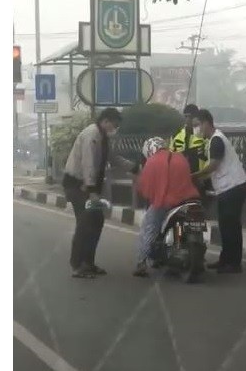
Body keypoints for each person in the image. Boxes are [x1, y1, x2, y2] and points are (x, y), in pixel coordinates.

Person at [63, 107, 138, 279]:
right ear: (105, 121)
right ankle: (77, 265)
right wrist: (91, 191)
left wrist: (133, 167)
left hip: (88, 186)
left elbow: (112, 158)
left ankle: (88, 263)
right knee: (84, 223)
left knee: (96, 221)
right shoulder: (92, 135)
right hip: (78, 185)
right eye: (114, 125)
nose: (115, 129)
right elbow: (88, 163)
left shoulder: (102, 137)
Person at [192, 109, 246, 274]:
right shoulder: (213, 140)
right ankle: (225, 260)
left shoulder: (217, 140)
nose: (196, 129)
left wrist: (195, 176)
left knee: (231, 226)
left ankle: (234, 263)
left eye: (197, 125)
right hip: (227, 188)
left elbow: (214, 166)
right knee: (225, 225)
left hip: (233, 187)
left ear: (206, 123)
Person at [133, 137, 200, 278]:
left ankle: (141, 263)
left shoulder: (152, 161)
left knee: (148, 226)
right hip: (190, 199)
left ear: (150, 150)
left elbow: (146, 187)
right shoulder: (180, 157)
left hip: (166, 202)